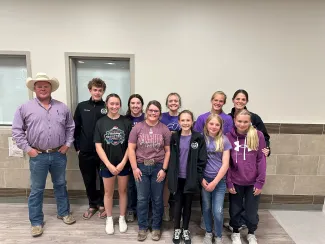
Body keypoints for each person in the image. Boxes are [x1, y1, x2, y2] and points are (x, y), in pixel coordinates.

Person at [12, 72, 76, 237]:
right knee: (37, 189)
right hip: (37, 155)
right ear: (34, 88)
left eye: (45, 86)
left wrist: (68, 144)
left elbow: (70, 127)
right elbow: (17, 131)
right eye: (39, 86)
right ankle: (36, 222)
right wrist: (28, 149)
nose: (42, 89)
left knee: (61, 185)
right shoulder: (24, 108)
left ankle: (63, 212)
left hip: (58, 155)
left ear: (51, 88)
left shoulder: (62, 107)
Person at [225, 89, 271, 232]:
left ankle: (249, 227)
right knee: (235, 206)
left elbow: (263, 146)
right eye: (237, 98)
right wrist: (229, 179)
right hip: (236, 175)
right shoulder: (227, 123)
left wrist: (267, 149)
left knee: (251, 208)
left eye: (243, 99)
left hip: (251, 176)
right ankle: (236, 227)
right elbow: (227, 155)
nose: (239, 101)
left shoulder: (256, 126)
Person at [128, 100, 171, 242]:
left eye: (156, 111)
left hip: (158, 167)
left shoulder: (164, 129)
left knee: (157, 199)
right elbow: (131, 149)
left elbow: (168, 151)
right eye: (151, 110)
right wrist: (134, 168)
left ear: (160, 113)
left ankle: (156, 227)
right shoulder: (137, 128)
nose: (153, 113)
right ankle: (142, 227)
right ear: (146, 111)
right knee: (142, 199)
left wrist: (164, 169)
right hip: (141, 167)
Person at [194, 91, 233, 229]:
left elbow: (228, 138)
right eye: (215, 100)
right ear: (211, 100)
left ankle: (217, 228)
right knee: (206, 203)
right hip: (204, 170)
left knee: (217, 207)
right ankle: (206, 223)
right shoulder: (201, 118)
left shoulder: (228, 119)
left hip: (219, 164)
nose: (218, 103)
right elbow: (196, 139)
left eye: (221, 101)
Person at [226, 109, 266, 244]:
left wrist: (260, 182)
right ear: (234, 121)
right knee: (235, 209)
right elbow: (227, 163)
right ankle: (235, 232)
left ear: (250, 122)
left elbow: (261, 159)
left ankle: (251, 233)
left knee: (251, 210)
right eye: (239, 121)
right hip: (236, 181)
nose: (242, 124)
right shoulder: (228, 136)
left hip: (252, 182)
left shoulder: (258, 135)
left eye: (245, 122)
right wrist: (229, 182)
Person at [94, 93, 132, 235]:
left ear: (120, 105)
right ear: (107, 104)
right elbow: (98, 146)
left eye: (117, 104)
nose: (114, 106)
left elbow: (130, 146)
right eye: (112, 104)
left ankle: (122, 218)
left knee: (123, 191)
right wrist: (108, 164)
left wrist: (123, 162)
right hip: (107, 164)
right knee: (108, 193)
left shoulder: (126, 122)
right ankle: (109, 218)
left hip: (123, 164)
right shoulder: (100, 122)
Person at [168, 110, 207, 244]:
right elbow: (171, 157)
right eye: (182, 120)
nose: (185, 123)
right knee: (178, 204)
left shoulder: (198, 138)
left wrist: (197, 175)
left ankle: (185, 229)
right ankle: (177, 229)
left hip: (190, 178)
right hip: (177, 177)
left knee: (188, 204)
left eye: (188, 120)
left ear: (192, 122)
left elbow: (202, 160)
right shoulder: (174, 137)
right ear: (179, 122)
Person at [73, 78, 107, 220]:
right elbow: (74, 128)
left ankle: (103, 204)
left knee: (104, 179)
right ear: (90, 90)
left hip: (104, 152)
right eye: (95, 90)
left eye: (100, 90)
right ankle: (92, 204)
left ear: (103, 91)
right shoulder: (82, 106)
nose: (97, 92)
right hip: (85, 151)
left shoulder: (107, 106)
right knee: (89, 179)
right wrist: (78, 148)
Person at [201, 114, 232, 244]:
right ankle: (208, 232)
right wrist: (201, 179)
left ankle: (218, 235)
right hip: (204, 180)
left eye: (217, 125)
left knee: (218, 211)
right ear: (206, 124)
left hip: (219, 181)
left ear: (220, 127)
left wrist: (215, 182)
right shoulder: (201, 139)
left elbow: (225, 164)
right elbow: (195, 162)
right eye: (211, 124)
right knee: (207, 208)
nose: (213, 127)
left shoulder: (224, 141)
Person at [160, 92, 182, 221]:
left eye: (176, 101)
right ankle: (165, 208)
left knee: (180, 182)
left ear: (179, 103)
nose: (173, 103)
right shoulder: (161, 117)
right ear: (167, 103)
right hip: (165, 154)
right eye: (170, 101)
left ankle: (179, 209)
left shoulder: (183, 117)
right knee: (167, 183)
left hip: (180, 154)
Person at [125, 94, 145, 222]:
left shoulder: (147, 118)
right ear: (129, 105)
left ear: (142, 105)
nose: (135, 105)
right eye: (132, 103)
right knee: (131, 185)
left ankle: (142, 209)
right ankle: (131, 209)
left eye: (138, 103)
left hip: (144, 157)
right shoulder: (124, 119)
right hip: (129, 156)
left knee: (143, 185)